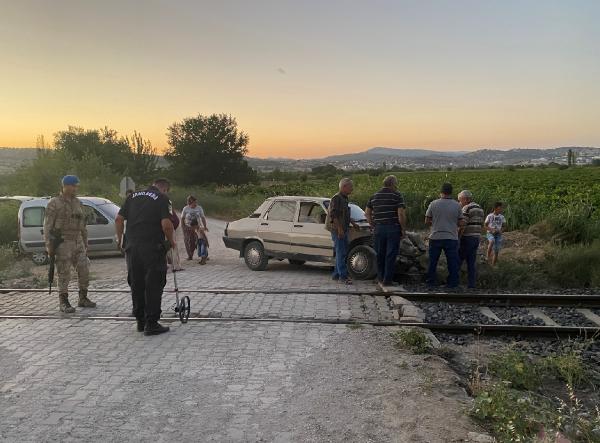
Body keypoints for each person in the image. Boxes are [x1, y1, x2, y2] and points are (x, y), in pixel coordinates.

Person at [115, 178, 176, 336]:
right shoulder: (163, 199)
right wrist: (171, 242)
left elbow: (119, 219)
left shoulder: (132, 196)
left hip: (132, 248)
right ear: (164, 189)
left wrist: (119, 239)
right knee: (154, 284)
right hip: (152, 247)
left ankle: (140, 321)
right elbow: (166, 224)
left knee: (137, 283)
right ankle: (152, 323)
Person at [43, 175, 96, 313]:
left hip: (77, 240)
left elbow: (83, 224)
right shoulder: (54, 203)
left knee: (84, 269)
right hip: (63, 241)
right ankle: (64, 301)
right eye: (73, 186)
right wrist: (49, 245)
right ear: (65, 186)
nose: (75, 188)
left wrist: (85, 242)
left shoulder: (78, 202)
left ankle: (83, 297)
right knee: (64, 272)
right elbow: (47, 226)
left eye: (76, 186)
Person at [365, 175, 407, 289]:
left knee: (380, 254)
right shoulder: (397, 195)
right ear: (393, 184)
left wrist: (372, 224)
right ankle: (387, 280)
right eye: (396, 184)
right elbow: (401, 214)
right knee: (390, 254)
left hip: (378, 229)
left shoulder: (374, 196)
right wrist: (403, 229)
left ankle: (380, 278)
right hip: (392, 228)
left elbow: (367, 212)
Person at [425, 183, 465, 289]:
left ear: (441, 192)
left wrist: (435, 224)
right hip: (451, 237)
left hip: (435, 237)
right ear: (451, 192)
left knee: (433, 261)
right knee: (452, 262)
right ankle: (452, 283)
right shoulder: (457, 205)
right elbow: (461, 223)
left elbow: (427, 220)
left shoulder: (433, 204)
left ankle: (430, 282)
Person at [327, 178, 354, 285]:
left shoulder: (344, 198)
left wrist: (354, 223)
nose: (352, 189)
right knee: (341, 253)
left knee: (341, 253)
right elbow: (334, 216)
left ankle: (336, 274)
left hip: (343, 229)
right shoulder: (336, 198)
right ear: (344, 187)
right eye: (350, 187)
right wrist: (339, 229)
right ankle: (343, 276)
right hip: (338, 230)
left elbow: (345, 214)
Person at [457, 190, 485, 289]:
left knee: (458, 260)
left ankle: (453, 281)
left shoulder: (467, 208)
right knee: (471, 262)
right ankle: (471, 284)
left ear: (465, 199)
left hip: (467, 237)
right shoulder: (479, 208)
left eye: (460, 200)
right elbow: (481, 224)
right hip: (476, 237)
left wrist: (458, 237)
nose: (459, 203)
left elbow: (463, 225)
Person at [180, 196, 208, 260]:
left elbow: (202, 217)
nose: (196, 203)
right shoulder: (185, 208)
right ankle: (190, 255)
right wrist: (183, 227)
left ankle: (204, 255)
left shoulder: (199, 208)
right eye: (194, 202)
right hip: (188, 227)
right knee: (188, 241)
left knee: (202, 240)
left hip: (198, 226)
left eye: (196, 202)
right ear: (189, 203)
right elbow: (182, 218)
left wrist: (205, 226)